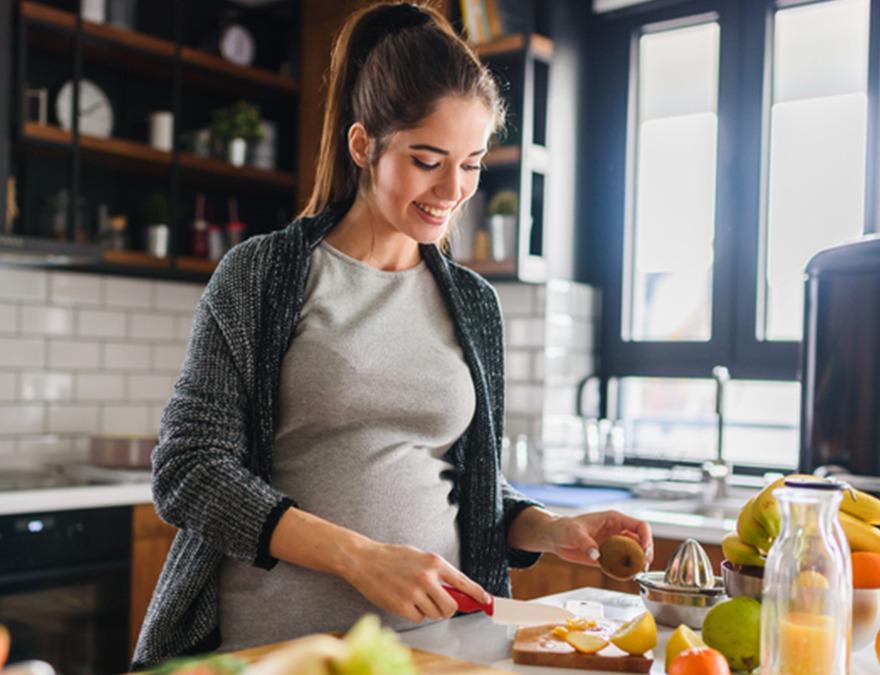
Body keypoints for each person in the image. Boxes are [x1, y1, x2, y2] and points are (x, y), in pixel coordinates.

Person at [131, 2, 653, 668]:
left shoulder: (472, 303)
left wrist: (550, 528)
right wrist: (360, 558)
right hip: (275, 651)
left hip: (434, 650)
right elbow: (189, 469)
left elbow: (469, 485)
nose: (453, 190)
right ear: (362, 145)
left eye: (471, 164)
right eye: (428, 160)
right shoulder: (263, 275)